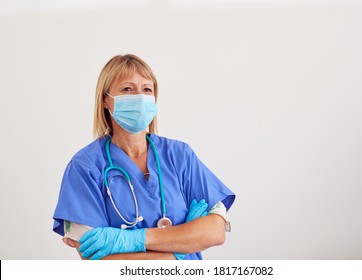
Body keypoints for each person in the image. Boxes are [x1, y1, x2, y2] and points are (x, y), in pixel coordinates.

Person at [52, 54, 235, 260]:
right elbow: (97, 261)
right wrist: (180, 251)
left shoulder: (179, 156)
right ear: (105, 100)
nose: (139, 96)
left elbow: (216, 232)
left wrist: (133, 239)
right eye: (127, 89)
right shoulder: (85, 167)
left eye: (147, 89)